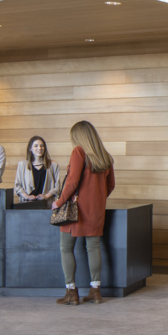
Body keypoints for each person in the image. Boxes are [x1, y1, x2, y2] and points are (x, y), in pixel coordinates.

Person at [51, 121, 116, 305]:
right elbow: (111, 185)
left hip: (75, 211)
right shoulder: (105, 156)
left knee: (66, 248)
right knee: (93, 247)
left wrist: (59, 202)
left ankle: (71, 292)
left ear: (78, 136)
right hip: (96, 210)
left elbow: (72, 182)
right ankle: (95, 291)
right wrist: (97, 199)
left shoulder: (78, 152)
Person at [13, 136, 60, 207]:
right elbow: (17, 186)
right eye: (36, 146)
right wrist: (27, 197)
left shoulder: (53, 165)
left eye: (42, 146)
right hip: (27, 205)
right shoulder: (22, 165)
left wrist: (46, 197)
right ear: (30, 148)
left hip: (47, 205)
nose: (39, 148)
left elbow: (57, 187)